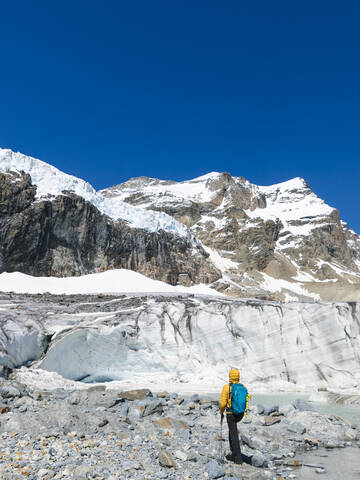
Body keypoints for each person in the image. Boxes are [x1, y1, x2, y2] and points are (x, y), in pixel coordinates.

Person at [219, 368, 249, 465]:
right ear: (238, 377)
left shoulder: (227, 387)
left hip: (230, 414)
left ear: (230, 376)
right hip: (240, 414)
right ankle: (233, 452)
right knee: (232, 431)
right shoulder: (243, 387)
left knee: (233, 434)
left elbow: (222, 403)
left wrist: (221, 412)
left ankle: (238, 459)